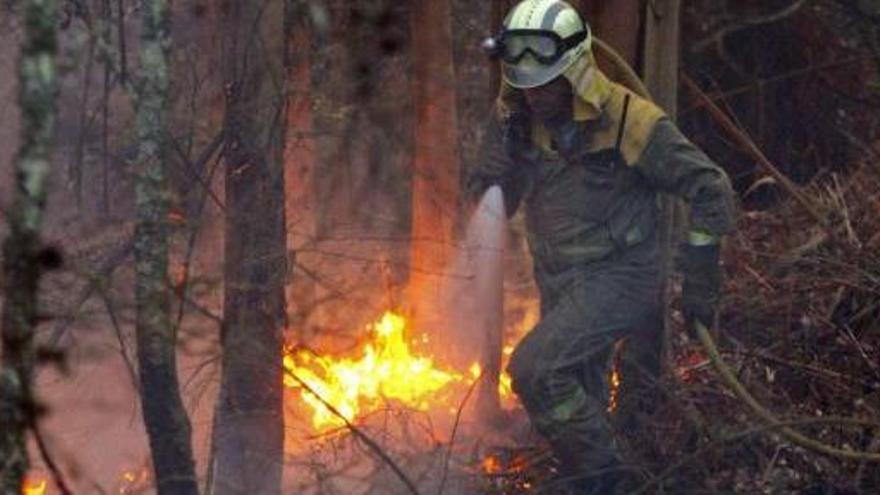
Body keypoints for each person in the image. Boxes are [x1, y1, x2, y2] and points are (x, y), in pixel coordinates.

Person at [466, 0, 737, 492]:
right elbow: (496, 201)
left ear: (574, 72)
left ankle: (609, 479)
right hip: (560, 280)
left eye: (545, 85)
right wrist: (492, 179)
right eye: (524, 86)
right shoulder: (518, 115)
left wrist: (701, 276)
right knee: (579, 401)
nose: (535, 98)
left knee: (535, 369)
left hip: (622, 277)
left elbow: (711, 188)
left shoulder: (631, 121)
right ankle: (590, 472)